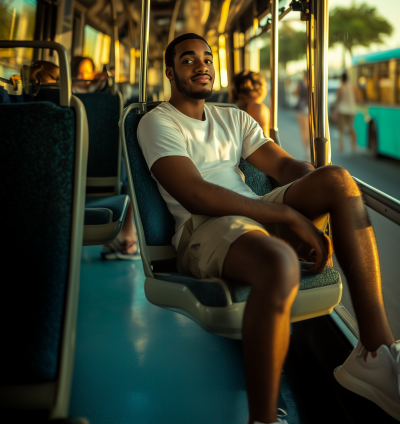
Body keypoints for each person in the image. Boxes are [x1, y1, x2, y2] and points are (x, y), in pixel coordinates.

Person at [137, 33, 400, 424]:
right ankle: (263, 419)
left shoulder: (233, 117)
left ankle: (376, 352)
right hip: (204, 227)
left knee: (338, 180)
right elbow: (196, 194)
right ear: (170, 72)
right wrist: (290, 218)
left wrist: (309, 190)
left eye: (207, 58)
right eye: (188, 60)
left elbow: (285, 167)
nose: (202, 65)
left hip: (252, 211)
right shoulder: (157, 122)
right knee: (279, 262)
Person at [230, 71, 270, 137]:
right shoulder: (257, 108)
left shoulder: (228, 107)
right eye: (265, 85)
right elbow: (264, 142)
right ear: (260, 89)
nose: (267, 88)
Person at [336, 72, 359, 153]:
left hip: (342, 110)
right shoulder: (354, 86)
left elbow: (338, 99)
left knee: (341, 129)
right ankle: (353, 147)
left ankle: (341, 146)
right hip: (352, 110)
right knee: (351, 128)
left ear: (342, 79)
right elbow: (358, 98)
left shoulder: (340, 88)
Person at [293, 71, 309, 159]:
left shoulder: (300, 83)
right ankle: (309, 149)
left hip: (300, 108)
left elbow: (295, 93)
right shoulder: (313, 83)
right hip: (309, 109)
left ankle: (307, 150)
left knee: (303, 131)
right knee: (309, 131)